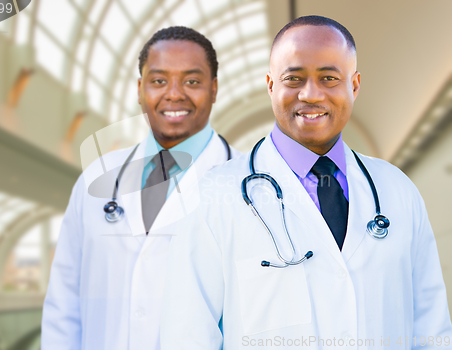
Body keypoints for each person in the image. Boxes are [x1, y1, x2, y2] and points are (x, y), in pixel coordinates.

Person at [161, 16, 452, 349]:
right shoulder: (215, 195)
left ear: (354, 86)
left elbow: (432, 329)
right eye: (293, 78)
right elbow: (186, 335)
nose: (311, 94)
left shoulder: (398, 192)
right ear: (271, 85)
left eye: (329, 78)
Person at [41, 26, 239, 350]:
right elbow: (63, 305)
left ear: (214, 89)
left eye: (192, 81)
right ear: (139, 89)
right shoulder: (97, 180)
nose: (174, 94)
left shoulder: (248, 188)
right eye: (159, 80)